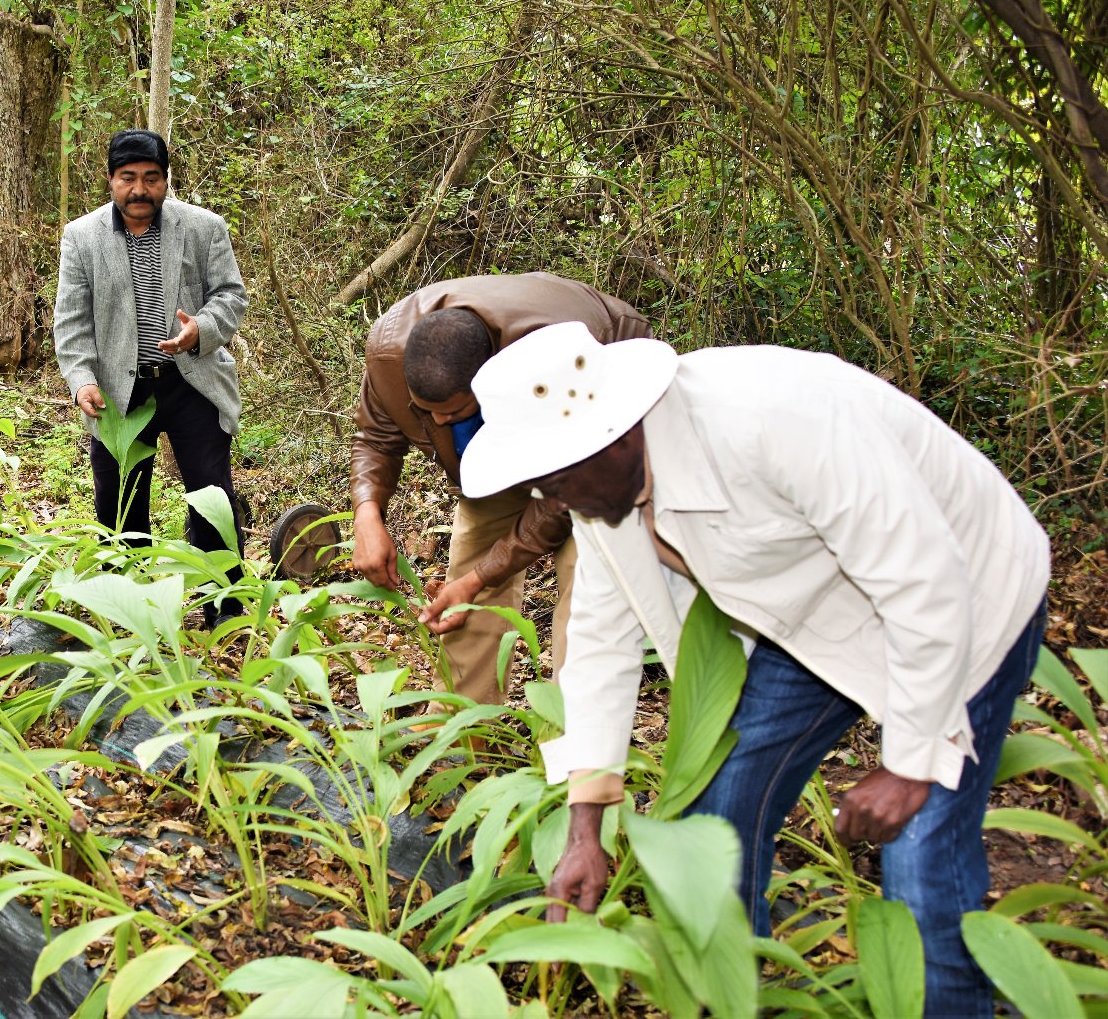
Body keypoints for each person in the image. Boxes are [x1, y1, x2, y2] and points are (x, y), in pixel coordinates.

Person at [459, 322, 1049, 1016]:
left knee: (919, 874)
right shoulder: (594, 489)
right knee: (720, 821)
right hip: (808, 622)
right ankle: (737, 998)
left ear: (615, 437)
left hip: (966, 598)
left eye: (555, 483)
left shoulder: (778, 418)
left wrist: (908, 763)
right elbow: (600, 645)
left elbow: (923, 577)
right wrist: (584, 830)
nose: (554, 506)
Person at [351, 273, 649, 704]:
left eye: (451, 412)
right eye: (424, 412)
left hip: (595, 443)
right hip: (497, 444)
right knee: (465, 597)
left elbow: (560, 502)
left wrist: (479, 578)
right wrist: (367, 513)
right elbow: (376, 437)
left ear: (489, 383)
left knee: (587, 588)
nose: (436, 423)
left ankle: (574, 748)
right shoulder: (388, 355)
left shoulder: (555, 361)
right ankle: (461, 734)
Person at [53, 130, 249, 623]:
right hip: (121, 390)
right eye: (128, 179)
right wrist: (82, 381)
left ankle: (225, 609)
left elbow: (231, 295)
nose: (139, 190)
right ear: (110, 180)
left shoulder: (204, 228)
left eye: (151, 178)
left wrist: (200, 329)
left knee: (211, 496)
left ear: (165, 180)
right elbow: (72, 321)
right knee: (121, 501)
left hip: (192, 380)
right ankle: (129, 609)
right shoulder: (83, 236)